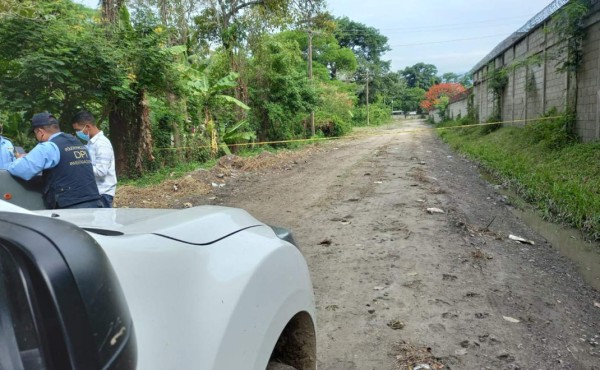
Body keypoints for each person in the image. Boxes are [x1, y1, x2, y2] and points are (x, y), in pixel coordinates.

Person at [7, 112, 102, 209]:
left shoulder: (48, 146)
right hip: (94, 201)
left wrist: (19, 159)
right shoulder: (76, 142)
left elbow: (21, 170)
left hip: (70, 206)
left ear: (40, 132)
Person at [71, 111, 117, 208]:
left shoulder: (102, 144)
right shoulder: (90, 143)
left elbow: (101, 172)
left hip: (102, 194)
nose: (77, 133)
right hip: (94, 193)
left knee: (101, 223)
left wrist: (80, 165)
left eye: (78, 130)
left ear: (87, 126)